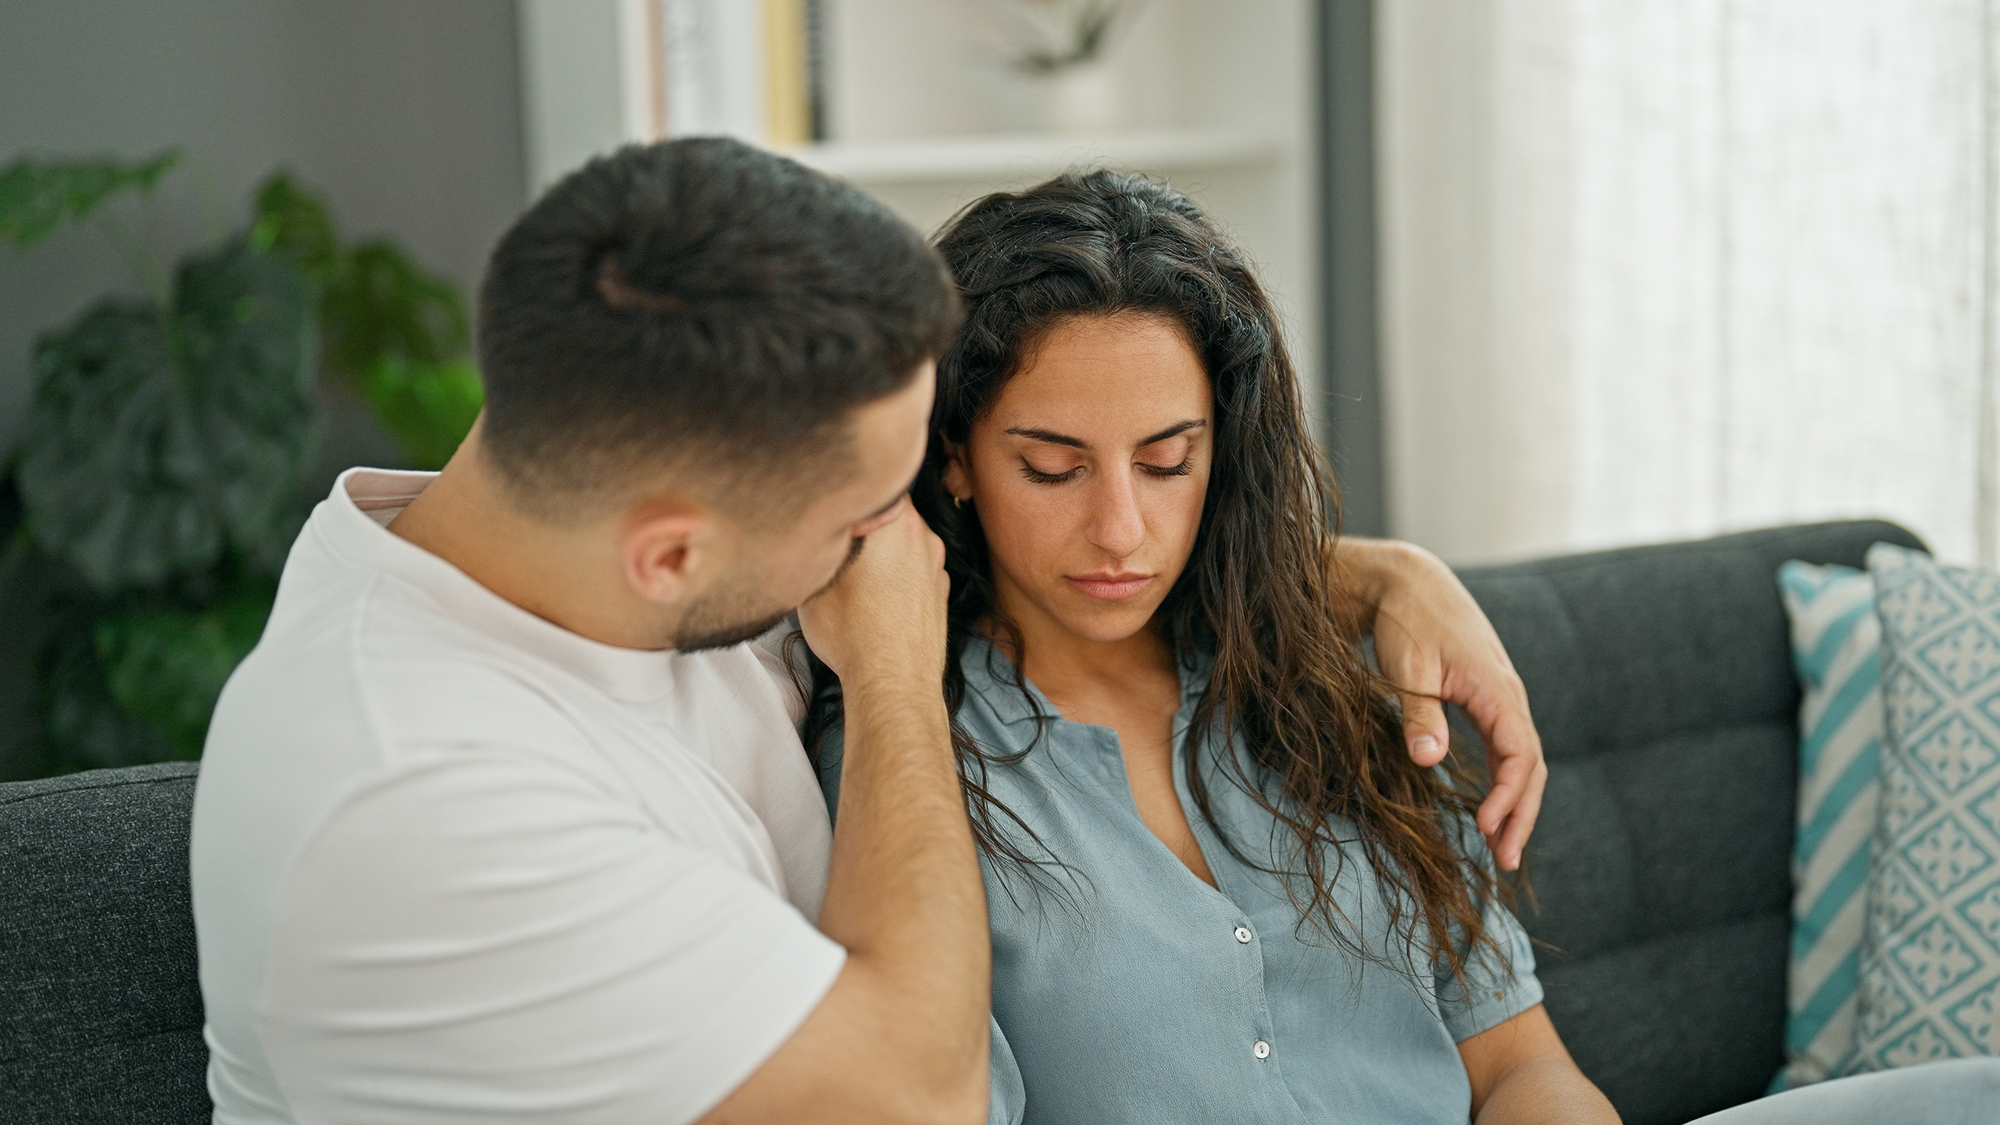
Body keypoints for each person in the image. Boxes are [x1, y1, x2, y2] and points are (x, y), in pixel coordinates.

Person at [189, 139, 1548, 1125]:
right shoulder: (421, 800)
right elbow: (925, 1100)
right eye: (868, 515)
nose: (907, 544)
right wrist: (897, 674)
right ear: (678, 552)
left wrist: (1362, 576)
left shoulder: (599, 557)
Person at [812, 170, 2000, 1125]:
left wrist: (1394, 570)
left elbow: (1516, 1068)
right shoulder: (912, 768)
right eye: (1052, 467)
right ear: (954, 457)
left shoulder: (1332, 689)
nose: (1121, 528)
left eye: (1169, 460)